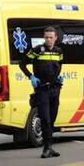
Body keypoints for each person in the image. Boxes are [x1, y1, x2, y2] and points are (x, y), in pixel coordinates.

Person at [20, 26, 64, 158]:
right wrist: (31, 77)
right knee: (45, 118)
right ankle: (46, 148)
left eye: (51, 37)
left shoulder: (59, 51)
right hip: (42, 89)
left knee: (52, 118)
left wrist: (58, 77)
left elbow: (60, 65)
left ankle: (50, 147)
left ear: (55, 38)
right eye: (46, 37)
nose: (48, 40)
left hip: (55, 89)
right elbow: (22, 64)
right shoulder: (37, 50)